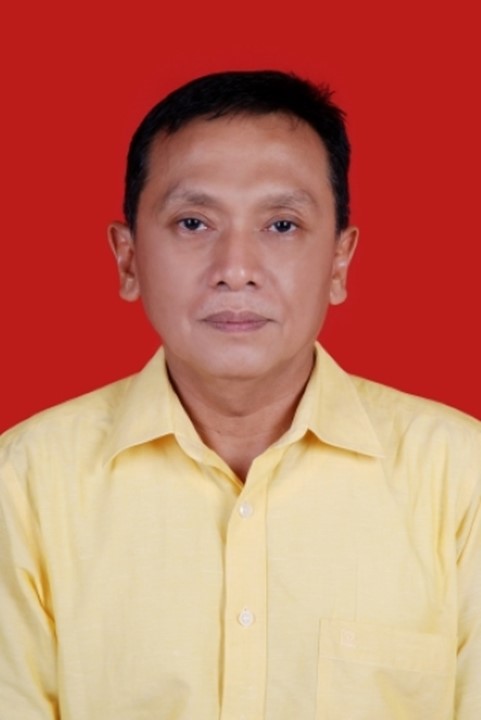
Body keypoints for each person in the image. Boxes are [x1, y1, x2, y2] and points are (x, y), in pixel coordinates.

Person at [0, 70, 480, 720]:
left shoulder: (461, 481)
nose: (235, 269)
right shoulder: (25, 486)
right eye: (193, 222)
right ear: (128, 258)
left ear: (339, 261)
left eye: (281, 225)